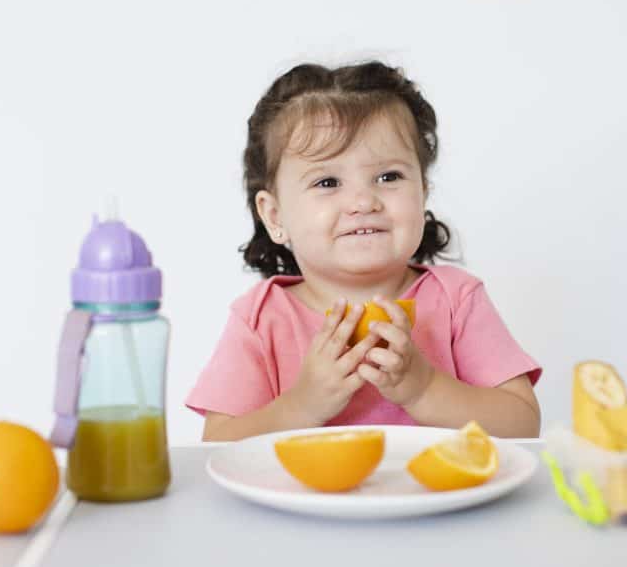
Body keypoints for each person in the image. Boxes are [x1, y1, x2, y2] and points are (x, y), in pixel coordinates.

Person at [185, 61, 541, 440]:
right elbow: (218, 444)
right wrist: (302, 405)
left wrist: (424, 389)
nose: (362, 200)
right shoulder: (261, 318)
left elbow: (522, 423)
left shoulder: (456, 300)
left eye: (388, 177)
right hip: (304, 500)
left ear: (423, 193)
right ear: (274, 216)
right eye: (327, 181)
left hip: (437, 496)